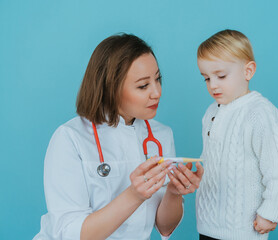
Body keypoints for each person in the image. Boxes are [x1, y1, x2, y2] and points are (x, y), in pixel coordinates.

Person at [34, 33, 204, 240]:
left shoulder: (161, 135)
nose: (157, 92)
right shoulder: (70, 138)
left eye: (158, 79)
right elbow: (71, 234)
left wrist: (174, 192)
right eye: (143, 86)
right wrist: (134, 194)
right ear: (110, 88)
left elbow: (164, 227)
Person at [195, 29, 278, 240]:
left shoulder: (260, 113)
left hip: (244, 228)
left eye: (220, 76)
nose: (213, 85)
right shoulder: (211, 112)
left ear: (248, 71)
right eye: (206, 78)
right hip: (208, 224)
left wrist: (271, 210)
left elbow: (277, 170)